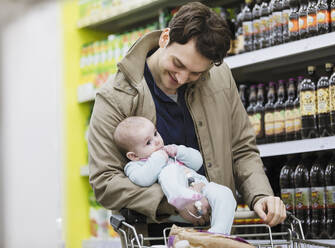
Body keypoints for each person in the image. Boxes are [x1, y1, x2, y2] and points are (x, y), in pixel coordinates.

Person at [88, 1, 286, 243]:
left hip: (217, 234)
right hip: (153, 235)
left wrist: (260, 195)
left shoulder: (220, 78)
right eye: (178, 65)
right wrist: (172, 200)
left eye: (195, 73)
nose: (181, 78)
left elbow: (241, 149)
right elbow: (105, 181)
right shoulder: (116, 96)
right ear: (165, 38)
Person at [113, 116, 237, 234]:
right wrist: (159, 159)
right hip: (178, 206)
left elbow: (198, 161)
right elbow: (143, 179)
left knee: (224, 192)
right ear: (133, 156)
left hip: (201, 187)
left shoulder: (168, 151)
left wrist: (180, 151)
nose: (157, 141)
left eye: (155, 134)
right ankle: (180, 196)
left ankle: (219, 233)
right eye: (148, 142)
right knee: (169, 170)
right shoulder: (135, 165)